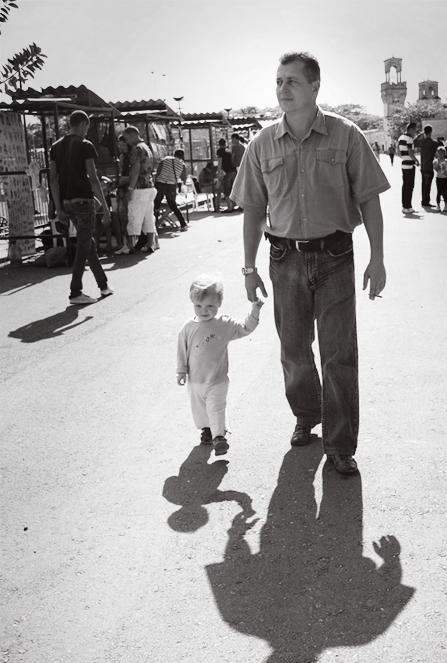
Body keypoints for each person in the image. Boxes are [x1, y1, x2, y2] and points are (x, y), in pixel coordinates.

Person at [230, 51, 390, 475]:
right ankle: (307, 414)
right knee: (294, 350)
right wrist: (248, 269)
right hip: (284, 258)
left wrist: (378, 258)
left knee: (339, 354)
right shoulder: (261, 143)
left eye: (292, 82)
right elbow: (251, 210)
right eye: (279, 81)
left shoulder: (346, 134)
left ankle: (340, 445)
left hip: (336, 254)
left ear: (315, 87)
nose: (282, 89)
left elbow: (369, 198)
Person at [177, 274, 264, 456]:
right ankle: (207, 430)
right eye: (198, 306)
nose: (204, 310)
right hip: (195, 381)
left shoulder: (224, 323)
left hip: (217, 379)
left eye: (210, 306)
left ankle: (219, 438)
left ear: (219, 303)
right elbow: (182, 350)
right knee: (201, 410)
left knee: (216, 407)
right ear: (192, 303)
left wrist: (255, 311)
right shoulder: (188, 327)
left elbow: (244, 328)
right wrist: (182, 370)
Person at [49, 109, 113, 305]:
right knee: (85, 245)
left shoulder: (56, 146)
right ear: (84, 124)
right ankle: (75, 291)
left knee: (88, 243)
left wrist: (59, 206)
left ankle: (103, 285)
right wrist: (104, 205)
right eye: (87, 127)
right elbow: (93, 179)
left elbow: (52, 178)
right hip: (84, 200)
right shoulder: (85, 145)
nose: (87, 132)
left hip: (67, 202)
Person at [122, 125, 156, 254]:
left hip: (139, 187)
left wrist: (130, 188)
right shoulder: (146, 147)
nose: (127, 142)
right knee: (148, 216)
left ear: (132, 135)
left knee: (133, 215)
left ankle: (130, 245)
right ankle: (150, 244)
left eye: (127, 139)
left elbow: (135, 170)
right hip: (149, 186)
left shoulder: (136, 149)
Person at [154, 149, 188, 231]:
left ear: (174, 154)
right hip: (171, 185)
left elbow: (158, 172)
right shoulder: (182, 165)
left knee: (156, 204)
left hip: (160, 184)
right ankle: (183, 224)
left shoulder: (165, 159)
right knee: (173, 205)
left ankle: (154, 225)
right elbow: (183, 178)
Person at [398, 121, 419, 213]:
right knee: (410, 186)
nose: (415, 132)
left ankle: (404, 206)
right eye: (415, 130)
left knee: (405, 186)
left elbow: (398, 152)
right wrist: (416, 160)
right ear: (410, 129)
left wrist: (404, 157)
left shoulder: (401, 138)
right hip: (410, 165)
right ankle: (408, 206)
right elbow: (410, 152)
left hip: (403, 164)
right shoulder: (409, 139)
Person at [418, 125, 438, 207]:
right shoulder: (434, 143)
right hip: (429, 166)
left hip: (422, 166)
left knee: (423, 184)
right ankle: (426, 201)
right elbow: (437, 154)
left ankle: (424, 200)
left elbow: (414, 141)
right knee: (427, 185)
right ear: (431, 131)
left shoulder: (422, 142)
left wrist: (420, 134)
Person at [217, 138, 237, 212]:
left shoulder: (220, 151)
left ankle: (229, 207)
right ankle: (233, 206)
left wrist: (218, 171)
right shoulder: (228, 151)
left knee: (226, 190)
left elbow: (220, 161)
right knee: (232, 189)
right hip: (233, 171)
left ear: (219, 144)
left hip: (227, 172)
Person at [433, 146, 447, 212]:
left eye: (442, 153)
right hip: (439, 178)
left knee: (445, 191)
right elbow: (435, 169)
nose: (440, 155)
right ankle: (438, 205)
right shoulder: (435, 161)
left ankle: (446, 206)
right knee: (439, 192)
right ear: (437, 153)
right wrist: (439, 163)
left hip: (445, 178)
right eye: (439, 153)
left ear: (444, 154)